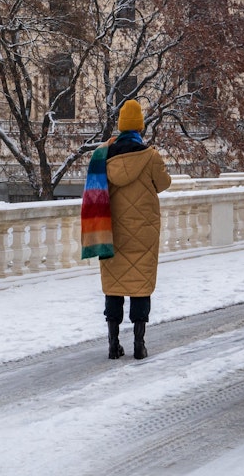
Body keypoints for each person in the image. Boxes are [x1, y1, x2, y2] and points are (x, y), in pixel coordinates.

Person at [81, 99, 171, 360]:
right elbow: (164, 184)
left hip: (111, 231)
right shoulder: (151, 156)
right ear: (140, 126)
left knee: (114, 286)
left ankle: (113, 344)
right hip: (143, 232)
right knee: (140, 286)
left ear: (120, 126)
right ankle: (139, 345)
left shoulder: (102, 157)